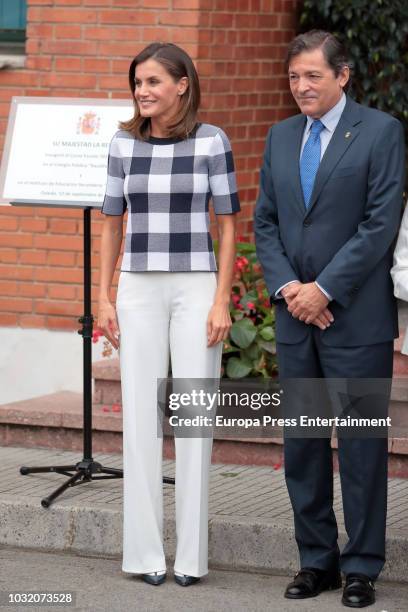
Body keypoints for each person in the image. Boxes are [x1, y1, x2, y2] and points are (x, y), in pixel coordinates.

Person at [254, 30, 405, 608]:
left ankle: (363, 566)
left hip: (356, 319)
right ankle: (315, 561)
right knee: (304, 445)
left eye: (312, 75)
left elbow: (379, 223)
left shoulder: (381, 131)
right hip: (297, 318)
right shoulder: (279, 135)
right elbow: (266, 221)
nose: (301, 87)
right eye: (294, 77)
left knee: (363, 447)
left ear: (342, 76)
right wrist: (292, 289)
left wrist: (325, 290)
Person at [97, 42, 240, 587]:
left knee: (195, 419)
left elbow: (227, 226)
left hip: (197, 286)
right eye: (138, 82)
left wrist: (222, 297)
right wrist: (105, 297)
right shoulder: (122, 144)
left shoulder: (212, 142)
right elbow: (112, 222)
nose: (142, 91)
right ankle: (143, 555)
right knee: (139, 417)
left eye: (153, 81)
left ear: (183, 84)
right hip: (137, 288)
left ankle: (191, 559)